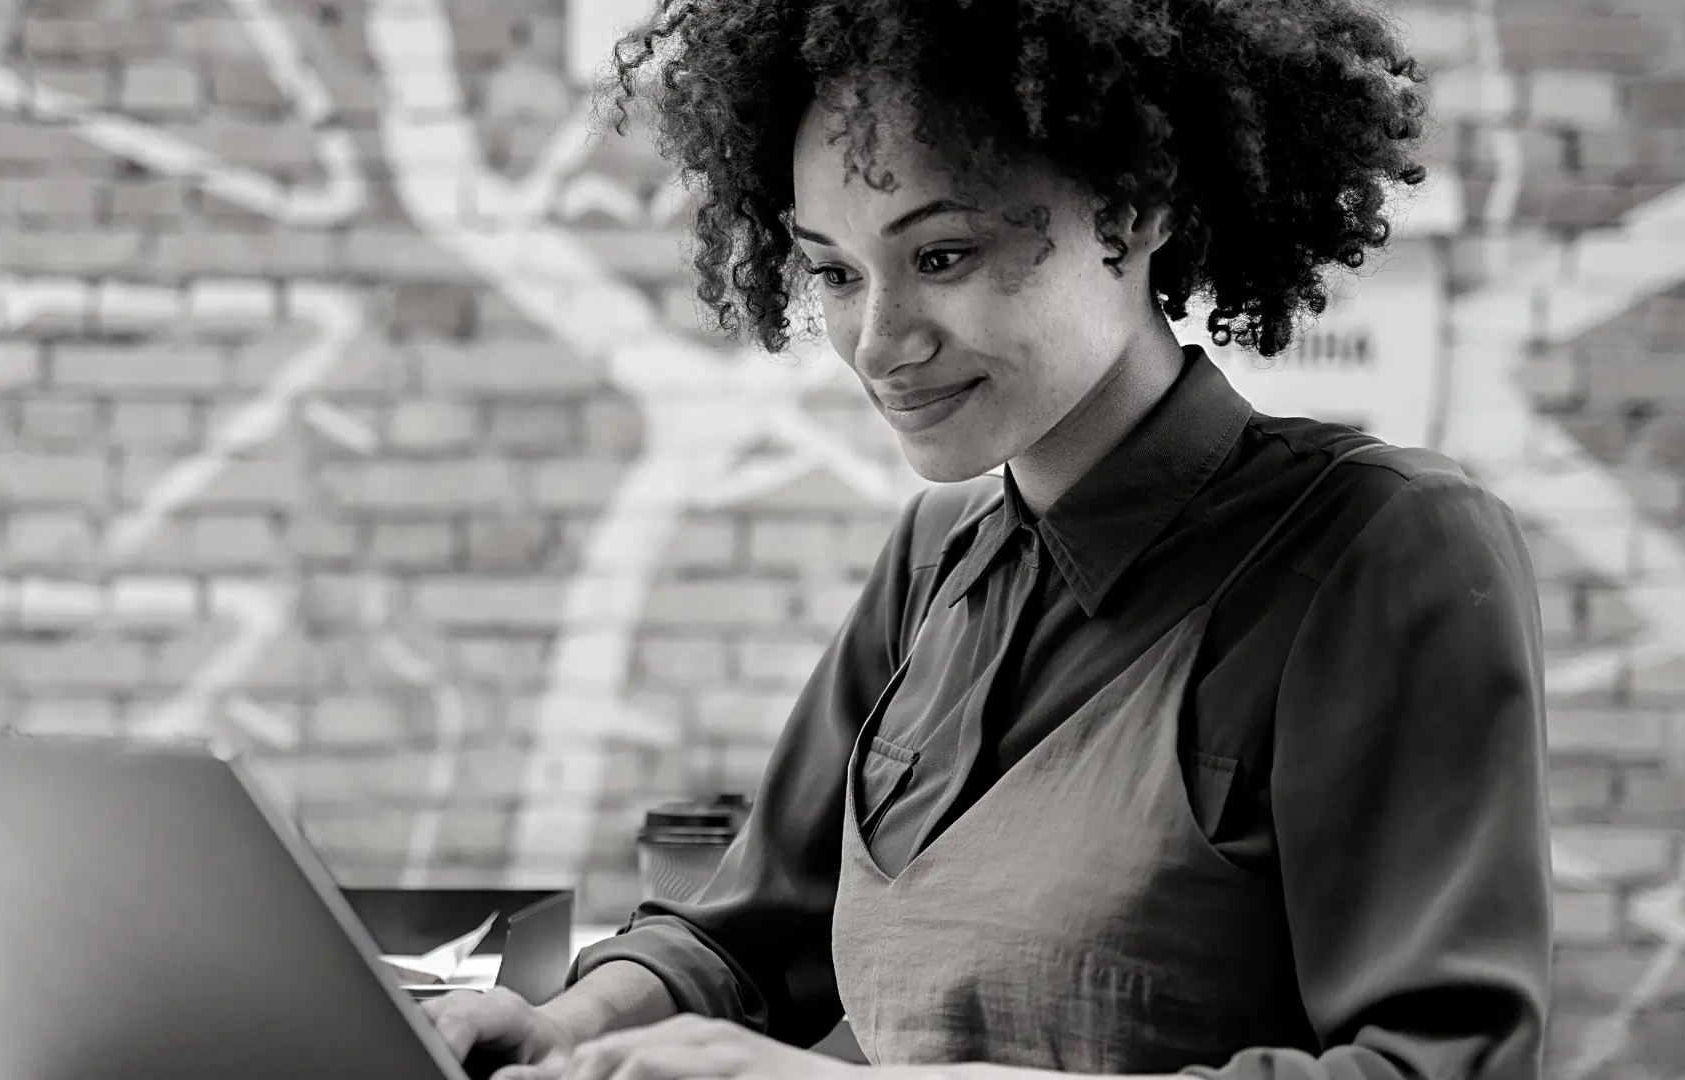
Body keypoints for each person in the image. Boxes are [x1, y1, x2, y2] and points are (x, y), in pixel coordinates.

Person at [429, 0, 1554, 1077]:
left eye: (943, 257)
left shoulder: (1386, 550)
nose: (878, 344)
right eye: (832, 271)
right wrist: (564, 1026)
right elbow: (748, 930)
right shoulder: (933, 562)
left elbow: (1434, 1066)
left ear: (1135, 210)